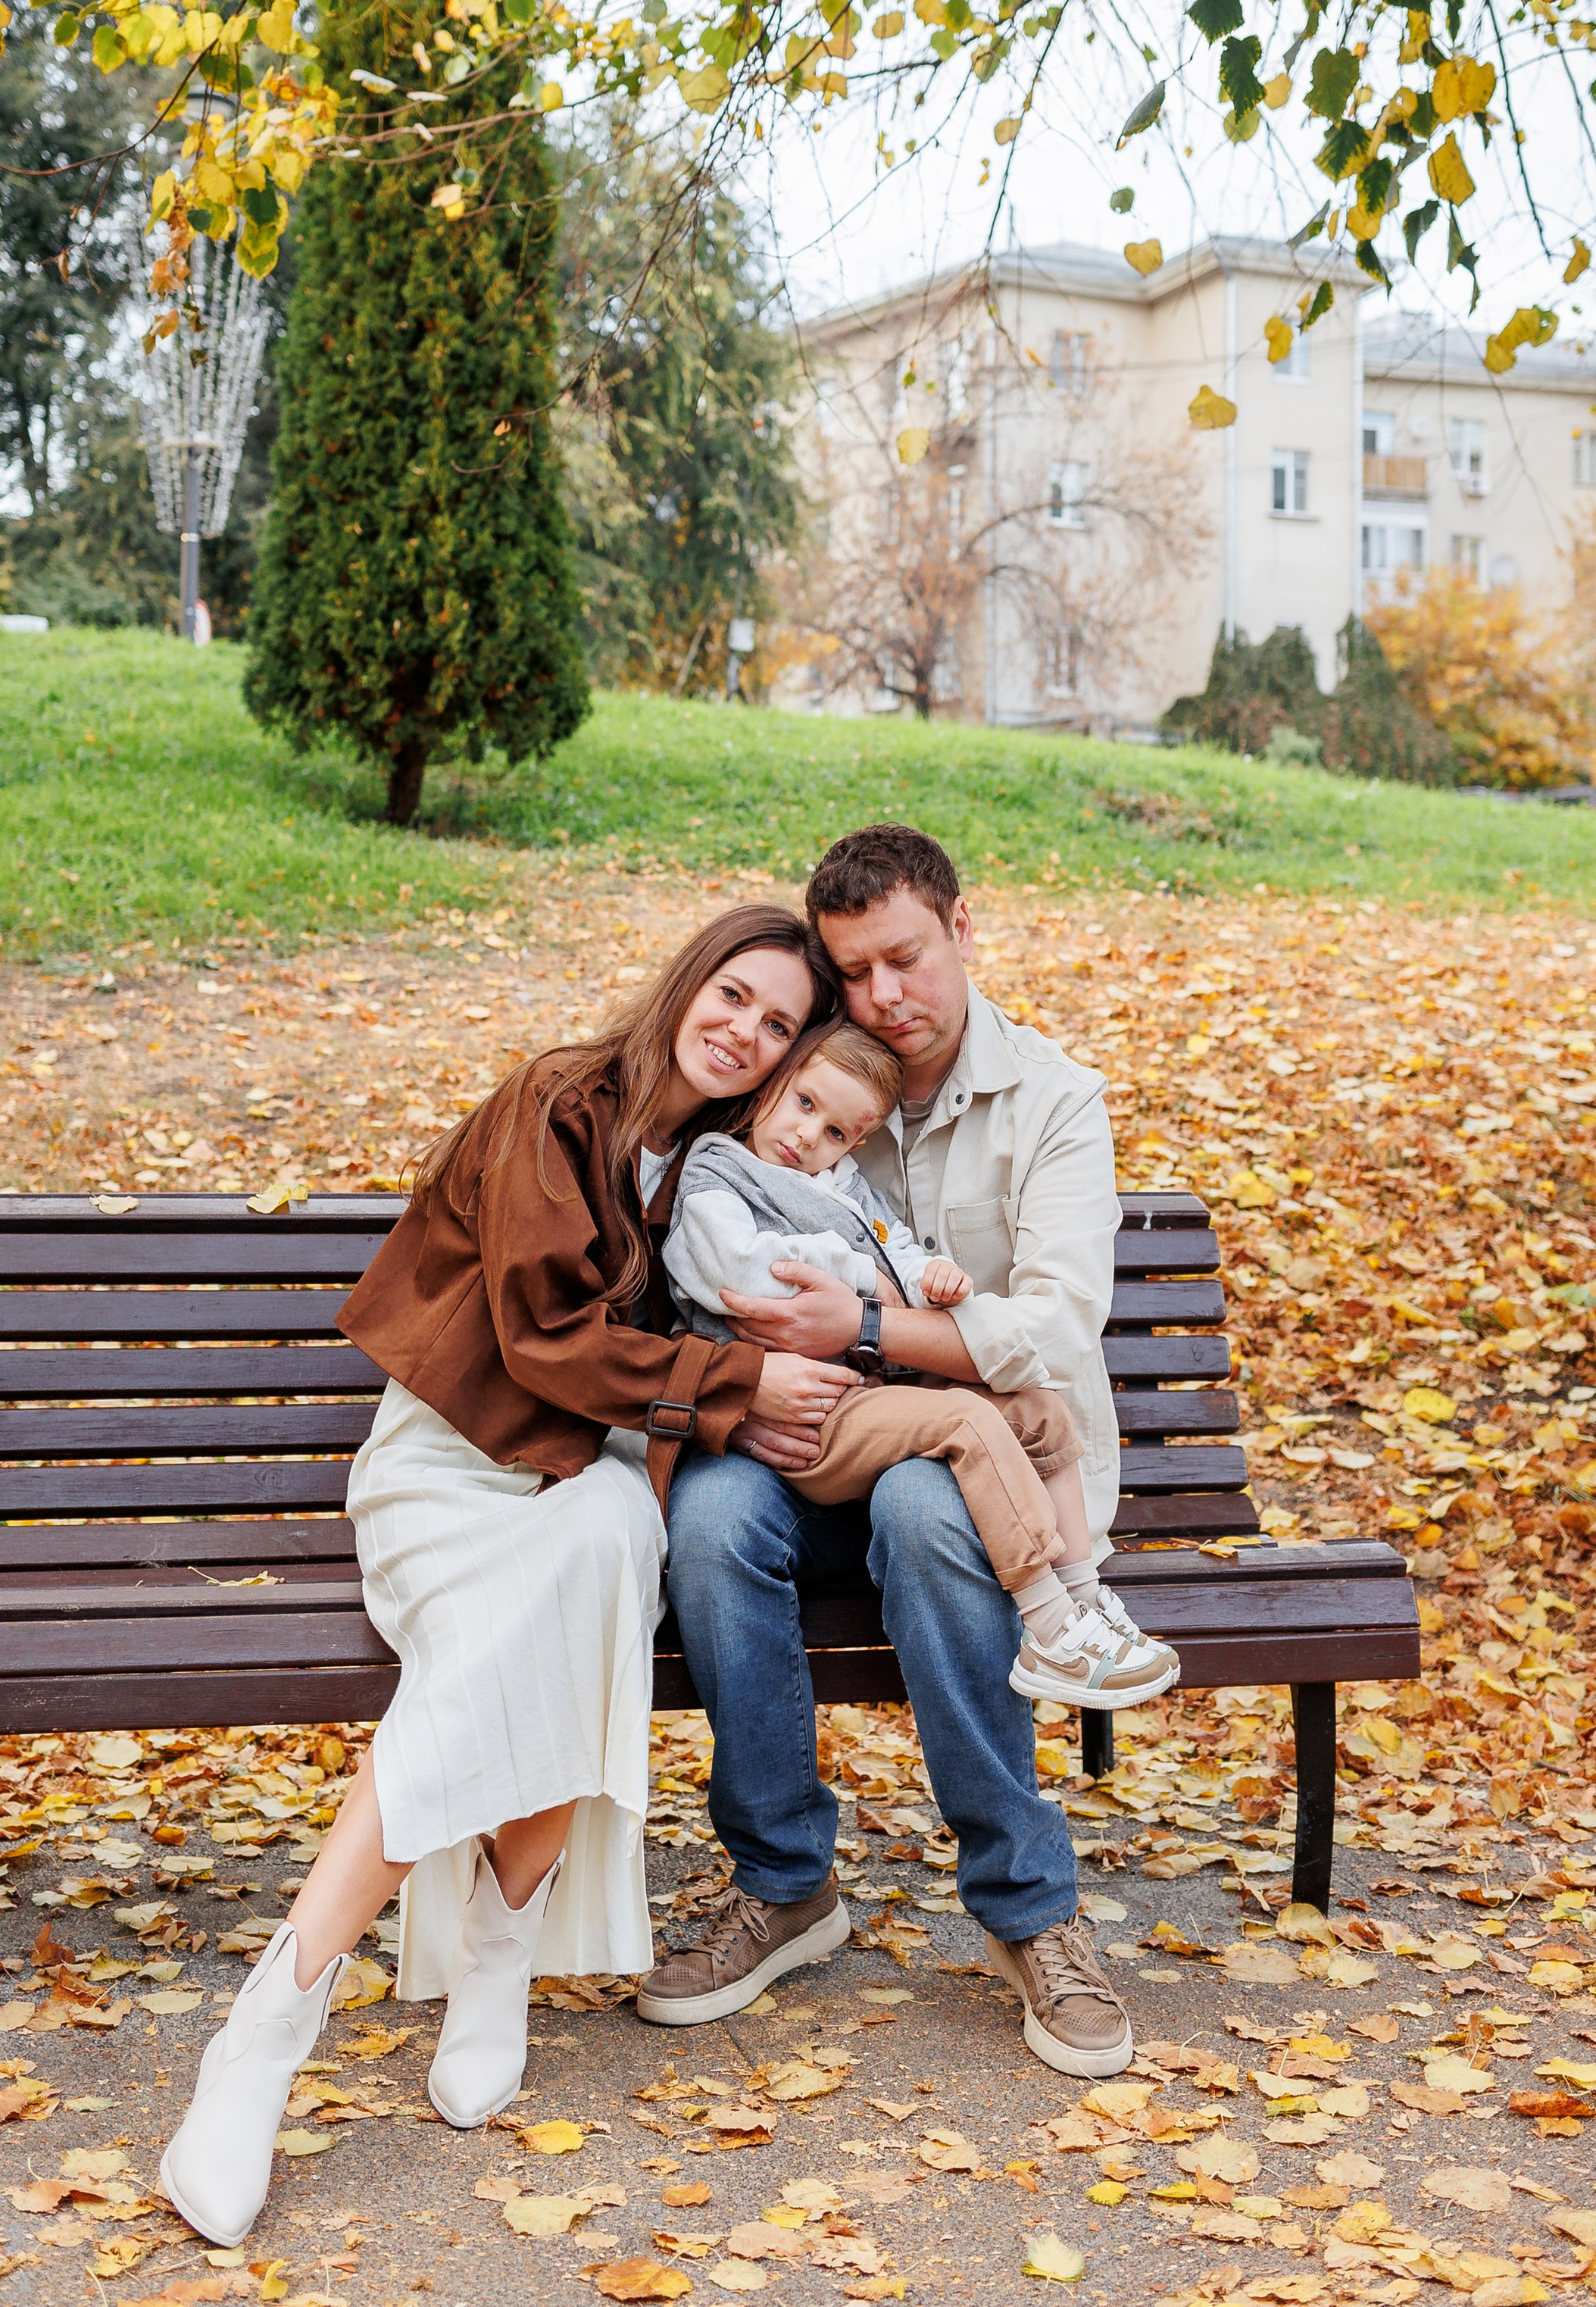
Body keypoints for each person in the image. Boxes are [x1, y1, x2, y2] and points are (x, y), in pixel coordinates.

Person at [158, 905, 842, 2250]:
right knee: (547, 1603)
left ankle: (489, 1964)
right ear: (688, 978)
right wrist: (743, 1376)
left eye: (777, 1026)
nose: (748, 1034)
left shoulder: (711, 1171)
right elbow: (540, 1341)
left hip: (584, 1479)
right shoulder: (558, 1103)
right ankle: (272, 2032)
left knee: (603, 1543)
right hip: (454, 1472)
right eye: (737, 997)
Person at [646, 825, 1174, 2077]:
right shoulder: (803, 1086)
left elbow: (1054, 1329)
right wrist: (734, 1395)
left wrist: (873, 1325)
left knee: (925, 1518)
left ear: (962, 931)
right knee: (713, 1523)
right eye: (856, 971)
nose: (884, 995)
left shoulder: (1054, 1101)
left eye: (905, 959)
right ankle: (784, 1885)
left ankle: (1031, 1909)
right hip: (805, 1440)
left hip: (976, 1473)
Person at [663, 1018, 1177, 1707]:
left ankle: (1084, 1602)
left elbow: (893, 1245)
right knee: (965, 1420)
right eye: (805, 1105)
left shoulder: (836, 1180)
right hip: (814, 1413)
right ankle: (1049, 1626)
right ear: (772, 1086)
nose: (811, 1137)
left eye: (839, 1132)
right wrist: (861, 1276)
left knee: (1040, 1411)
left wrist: (931, 1275)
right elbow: (748, 1276)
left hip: (868, 1396)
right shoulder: (716, 1173)